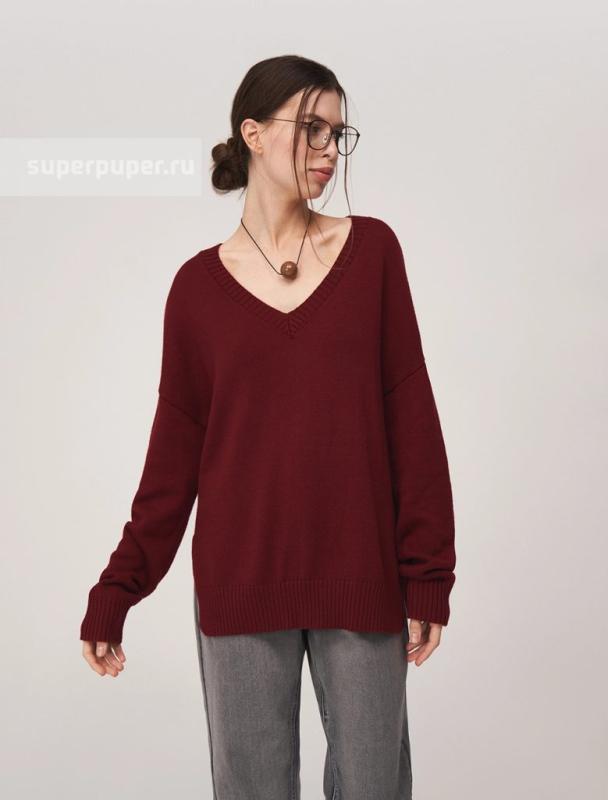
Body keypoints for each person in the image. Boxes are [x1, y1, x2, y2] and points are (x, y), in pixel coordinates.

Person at [80, 54, 456, 800]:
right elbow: (173, 462)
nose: (329, 149)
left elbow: (412, 422)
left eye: (338, 133)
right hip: (241, 583)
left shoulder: (374, 254)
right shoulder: (196, 290)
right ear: (252, 134)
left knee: (375, 786)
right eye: (311, 128)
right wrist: (118, 588)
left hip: (362, 578)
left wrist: (427, 575)